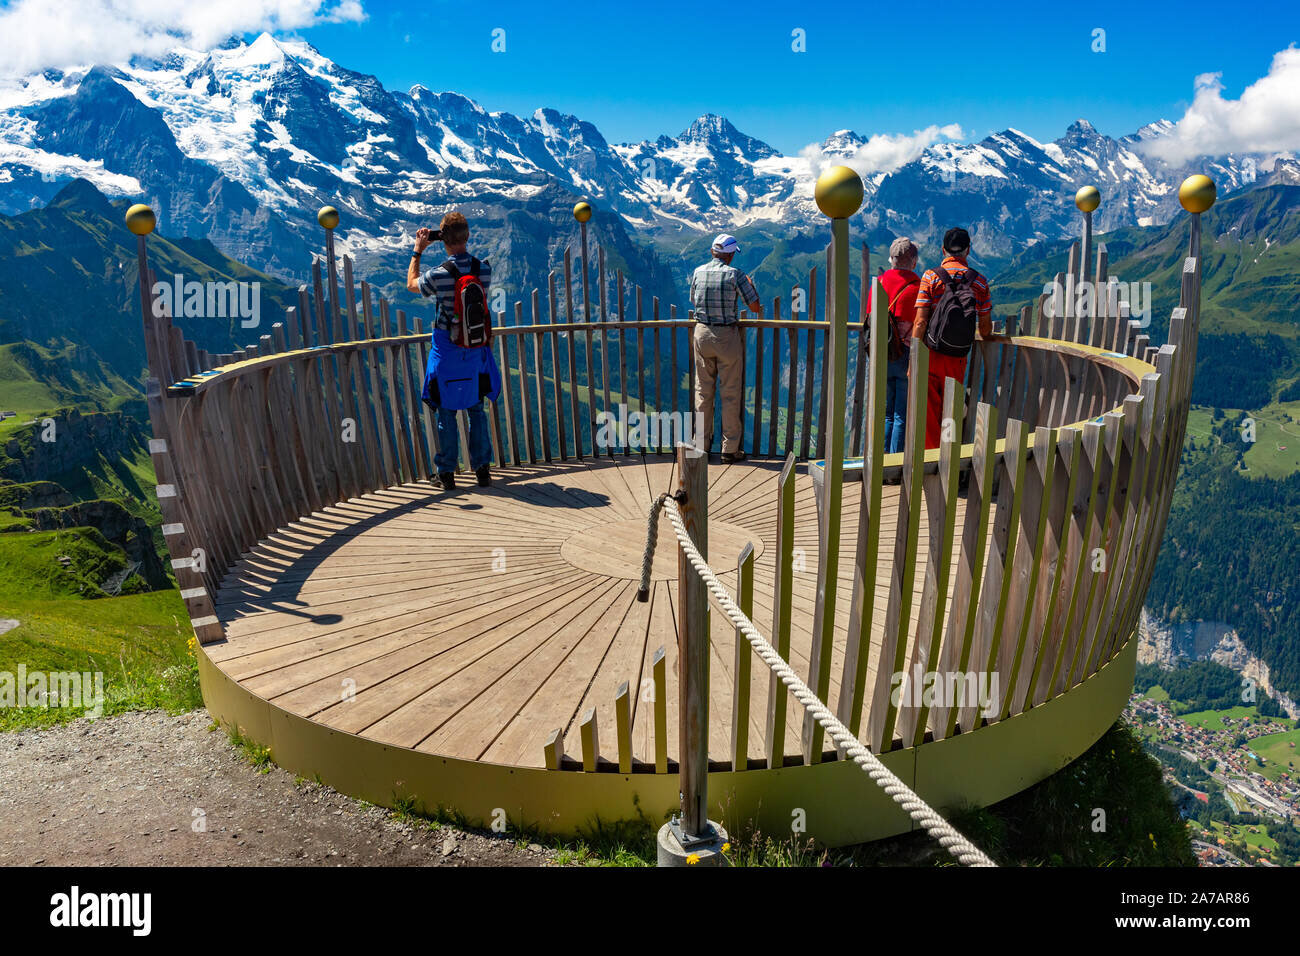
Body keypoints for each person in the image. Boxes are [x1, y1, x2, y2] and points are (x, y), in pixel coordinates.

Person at [407, 211, 502, 491]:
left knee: (446, 411)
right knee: (476, 409)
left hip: (447, 350)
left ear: (443, 240)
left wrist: (418, 251)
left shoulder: (439, 274)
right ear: (468, 236)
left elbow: (411, 285)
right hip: (474, 350)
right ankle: (482, 470)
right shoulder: (483, 270)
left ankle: (446, 473)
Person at [911, 227, 993, 449]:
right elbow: (985, 329)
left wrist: (913, 358)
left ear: (943, 250)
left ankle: (929, 460)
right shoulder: (980, 282)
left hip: (930, 355)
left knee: (928, 412)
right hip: (957, 357)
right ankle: (948, 456)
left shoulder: (930, 277)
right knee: (951, 410)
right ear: (968, 250)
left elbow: (920, 322)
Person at [689, 234, 761, 463]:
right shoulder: (735, 275)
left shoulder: (698, 272)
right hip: (726, 336)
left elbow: (694, 300)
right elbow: (755, 307)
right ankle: (729, 449)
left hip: (702, 333)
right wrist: (750, 285)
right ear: (730, 255)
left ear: (713, 252)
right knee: (730, 392)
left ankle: (701, 446)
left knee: (703, 392)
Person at [876, 237, 921, 455]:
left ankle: (882, 461)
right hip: (906, 354)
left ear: (891, 260)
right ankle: (895, 463)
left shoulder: (879, 283)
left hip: (881, 352)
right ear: (913, 261)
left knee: (886, 413)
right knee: (901, 414)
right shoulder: (918, 287)